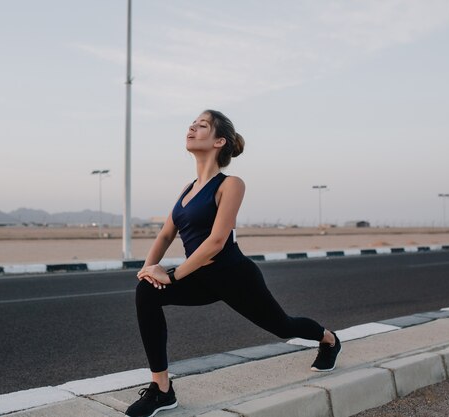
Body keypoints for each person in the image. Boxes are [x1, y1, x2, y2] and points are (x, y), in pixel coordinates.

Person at [125, 110, 341, 417]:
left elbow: (215, 243)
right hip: (200, 275)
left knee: (283, 326)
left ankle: (329, 339)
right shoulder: (186, 191)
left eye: (202, 125)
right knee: (146, 292)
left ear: (219, 141)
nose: (192, 127)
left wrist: (171, 276)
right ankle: (161, 390)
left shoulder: (231, 184)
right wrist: (149, 270)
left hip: (234, 275)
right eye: (192, 124)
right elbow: (164, 235)